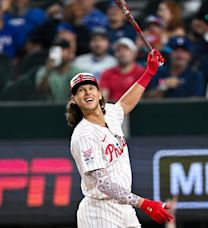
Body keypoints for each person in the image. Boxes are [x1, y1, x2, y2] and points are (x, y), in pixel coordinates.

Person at [66, 48, 173, 227]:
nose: (87, 93)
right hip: (98, 211)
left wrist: (149, 72)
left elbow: (125, 103)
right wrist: (144, 204)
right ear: (75, 100)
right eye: (81, 91)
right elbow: (104, 184)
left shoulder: (110, 114)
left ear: (99, 94)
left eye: (91, 88)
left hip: (124, 207)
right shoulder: (84, 135)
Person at [99, 38, 145, 102]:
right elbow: (104, 96)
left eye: (126, 50)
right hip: (113, 109)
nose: (122, 53)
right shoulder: (107, 73)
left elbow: (144, 96)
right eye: (118, 50)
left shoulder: (142, 73)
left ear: (134, 53)